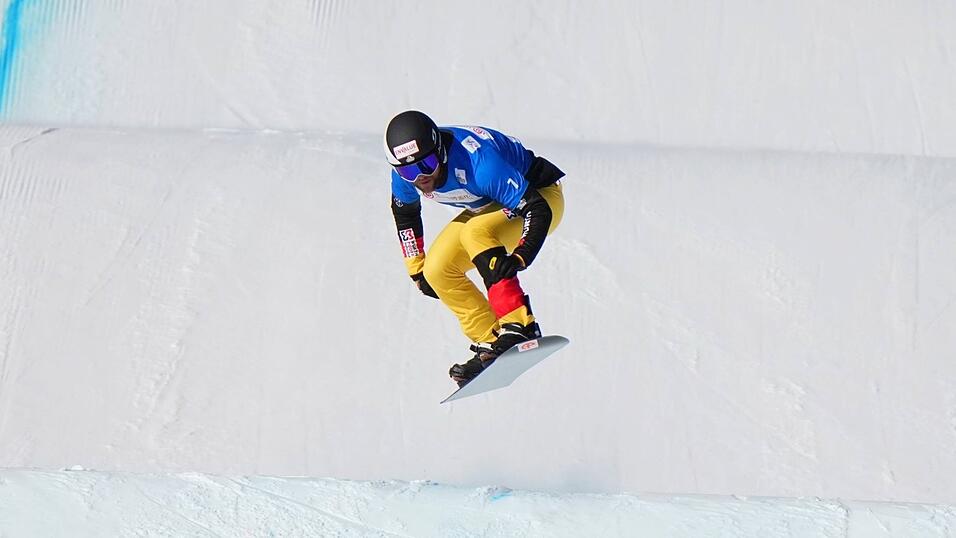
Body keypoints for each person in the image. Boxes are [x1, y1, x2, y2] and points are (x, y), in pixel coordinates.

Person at [385, 110, 566, 387]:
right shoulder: (403, 177)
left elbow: (536, 208)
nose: (420, 177)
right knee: (436, 270)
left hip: (541, 197)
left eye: (428, 164)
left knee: (475, 232)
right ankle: (492, 342)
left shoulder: (479, 163)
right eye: (409, 171)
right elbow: (406, 217)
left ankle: (520, 326)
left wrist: (521, 255)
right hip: (492, 205)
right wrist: (416, 269)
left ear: (441, 152)